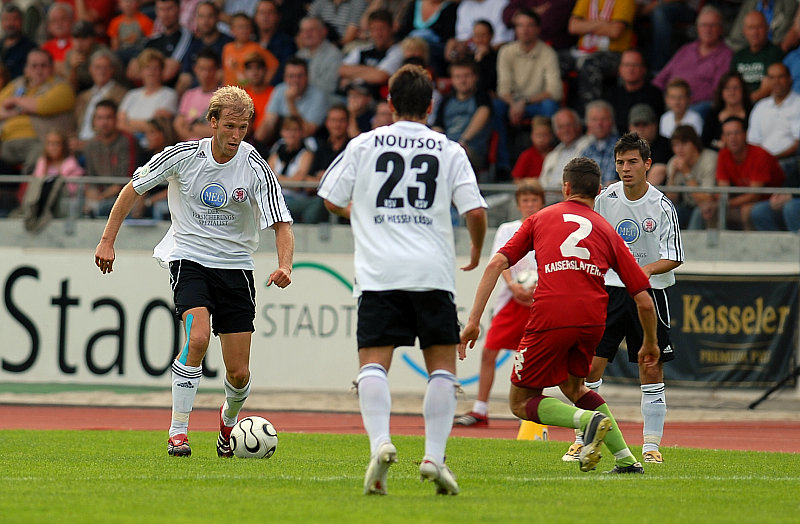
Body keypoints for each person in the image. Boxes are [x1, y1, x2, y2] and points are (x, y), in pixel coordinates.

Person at [94, 85, 295, 458]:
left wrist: (285, 265)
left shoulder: (254, 165)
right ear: (212, 122)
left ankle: (228, 422)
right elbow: (133, 188)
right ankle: (178, 432)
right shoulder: (184, 155)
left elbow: (282, 223)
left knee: (239, 373)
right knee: (198, 338)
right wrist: (107, 240)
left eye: (243, 128)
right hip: (189, 259)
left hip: (235, 267)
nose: (236, 135)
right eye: (230, 126)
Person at [317, 64, 488, 495]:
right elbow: (475, 211)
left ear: (390, 102)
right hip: (432, 273)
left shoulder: (364, 144)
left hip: (379, 274)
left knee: (373, 364)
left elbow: (330, 197)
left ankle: (380, 443)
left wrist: (358, 212)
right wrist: (474, 249)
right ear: (431, 106)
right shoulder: (448, 149)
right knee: (442, 370)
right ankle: (433, 457)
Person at [460, 155, 658, 474]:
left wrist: (473, 321)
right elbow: (645, 301)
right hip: (593, 319)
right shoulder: (608, 231)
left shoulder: (540, 218)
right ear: (598, 191)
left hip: (551, 315)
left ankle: (587, 421)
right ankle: (626, 461)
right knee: (574, 388)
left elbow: (496, 263)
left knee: (520, 402)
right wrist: (649, 342)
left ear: (565, 188)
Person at [560, 133, 683, 465]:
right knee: (590, 367)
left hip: (650, 291)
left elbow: (674, 256)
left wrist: (640, 271)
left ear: (647, 164)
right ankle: (582, 439)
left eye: (632, 162)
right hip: (609, 290)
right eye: (620, 163)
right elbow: (586, 231)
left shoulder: (662, 205)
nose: (625, 168)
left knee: (650, 366)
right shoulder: (605, 198)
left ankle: (651, 446)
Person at [454, 181, 543, 427]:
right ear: (518, 204)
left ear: (541, 202)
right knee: (489, 351)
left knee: (534, 358)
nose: (529, 204)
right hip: (510, 301)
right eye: (525, 200)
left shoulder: (546, 228)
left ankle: (532, 413)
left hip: (539, 303)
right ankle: (480, 409)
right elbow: (499, 261)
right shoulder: (508, 229)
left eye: (534, 200)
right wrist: (513, 286)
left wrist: (537, 289)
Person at [493, 8, 562, 176]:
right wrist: (514, 104)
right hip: (513, 103)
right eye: (520, 25)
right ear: (515, 29)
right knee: (495, 106)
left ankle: (551, 162)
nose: (525, 30)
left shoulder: (547, 53)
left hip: (536, 104)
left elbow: (555, 91)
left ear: (538, 29)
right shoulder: (506, 51)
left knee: (550, 106)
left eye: (530, 25)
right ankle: (502, 166)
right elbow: (503, 89)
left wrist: (524, 102)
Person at [653, 6, 732, 117]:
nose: (707, 30)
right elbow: (660, 79)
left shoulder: (726, 55)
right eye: (704, 25)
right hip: (670, 102)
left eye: (713, 25)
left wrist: (684, 99)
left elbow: (717, 92)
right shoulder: (686, 49)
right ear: (697, 28)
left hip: (697, 107)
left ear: (721, 29)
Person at [716, 116, 785, 230]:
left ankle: (749, 242)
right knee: (708, 210)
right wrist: (719, 204)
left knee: (746, 210)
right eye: (728, 134)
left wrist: (728, 204)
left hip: (773, 200)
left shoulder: (759, 154)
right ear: (723, 138)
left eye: (737, 133)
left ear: (745, 134)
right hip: (744, 199)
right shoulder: (723, 155)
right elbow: (723, 191)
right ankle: (713, 241)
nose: (733, 138)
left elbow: (755, 194)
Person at [83, 99, 140, 217]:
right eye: (100, 118)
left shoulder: (127, 140)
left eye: (108, 117)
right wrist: (93, 198)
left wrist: (100, 198)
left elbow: (126, 180)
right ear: (94, 121)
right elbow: (91, 181)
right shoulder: (91, 145)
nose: (104, 123)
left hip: (126, 196)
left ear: (116, 119)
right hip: (101, 197)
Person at [254, 57, 329, 146]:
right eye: (291, 76)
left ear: (307, 77)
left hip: (308, 144)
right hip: (284, 140)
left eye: (299, 76)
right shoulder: (279, 90)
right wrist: (256, 143)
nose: (295, 80)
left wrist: (290, 102)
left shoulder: (318, 96)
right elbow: (268, 122)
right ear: (285, 78)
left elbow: (307, 132)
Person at [432, 58, 491, 171]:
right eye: (457, 77)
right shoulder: (446, 101)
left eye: (467, 76)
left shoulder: (482, 98)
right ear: (452, 80)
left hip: (472, 150)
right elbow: (437, 127)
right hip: (447, 148)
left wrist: (463, 141)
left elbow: (483, 113)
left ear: (475, 77)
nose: (462, 81)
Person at [747, 62, 800, 185]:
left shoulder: (798, 104)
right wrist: (764, 161)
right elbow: (753, 143)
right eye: (772, 77)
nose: (776, 82)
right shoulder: (760, 106)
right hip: (763, 163)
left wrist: (771, 159)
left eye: (780, 76)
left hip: (789, 162)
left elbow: (798, 144)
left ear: (790, 79)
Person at [665, 125, 718, 229]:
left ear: (695, 143)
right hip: (687, 206)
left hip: (710, 208)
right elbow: (671, 200)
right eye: (676, 145)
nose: (680, 149)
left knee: (699, 212)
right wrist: (672, 177)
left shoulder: (709, 159)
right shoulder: (673, 163)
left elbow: (706, 200)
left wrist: (687, 173)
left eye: (684, 143)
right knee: (670, 212)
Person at [603, 48, 665, 135]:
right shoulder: (612, 94)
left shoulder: (655, 95)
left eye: (635, 65)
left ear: (644, 69)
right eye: (626, 65)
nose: (630, 69)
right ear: (620, 69)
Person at [730, 10, 783, 103]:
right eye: (751, 28)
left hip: (763, 103)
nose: (755, 32)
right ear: (744, 31)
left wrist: (743, 103)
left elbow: (766, 90)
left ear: (767, 28)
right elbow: (731, 86)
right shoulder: (739, 56)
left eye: (759, 27)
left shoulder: (775, 53)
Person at [173, 48, 219, 141]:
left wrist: (191, 128)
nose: (206, 74)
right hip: (188, 146)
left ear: (216, 70)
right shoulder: (189, 95)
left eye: (210, 69)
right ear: (195, 69)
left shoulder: (224, 97)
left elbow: (219, 132)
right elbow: (178, 125)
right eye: (202, 69)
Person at [221, 13, 278, 88]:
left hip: (247, 92)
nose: (244, 30)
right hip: (229, 91)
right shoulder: (227, 48)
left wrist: (264, 84)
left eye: (247, 27)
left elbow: (274, 64)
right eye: (240, 27)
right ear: (232, 30)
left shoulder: (255, 48)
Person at [701, 72, 751, 150]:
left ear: (743, 90)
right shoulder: (713, 114)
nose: (732, 92)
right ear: (721, 92)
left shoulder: (753, 112)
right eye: (727, 88)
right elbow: (705, 141)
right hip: (718, 153)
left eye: (736, 87)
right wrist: (717, 143)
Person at [580, 100, 619, 186]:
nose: (599, 124)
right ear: (588, 124)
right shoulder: (586, 151)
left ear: (612, 122)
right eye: (594, 119)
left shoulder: (622, 148)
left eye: (604, 119)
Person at [0, 4, 38, 81]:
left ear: (22, 21)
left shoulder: (30, 48)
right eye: (6, 19)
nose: (10, 24)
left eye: (14, 19)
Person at [511, 116, 553, 182]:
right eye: (538, 135)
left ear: (551, 136)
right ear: (532, 136)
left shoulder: (556, 153)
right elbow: (517, 180)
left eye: (545, 135)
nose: (541, 139)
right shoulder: (526, 155)